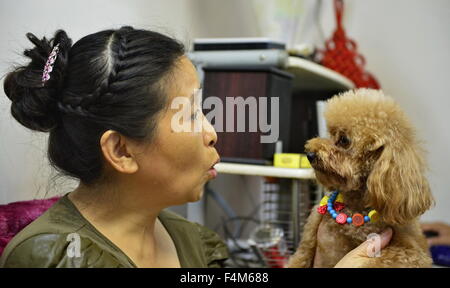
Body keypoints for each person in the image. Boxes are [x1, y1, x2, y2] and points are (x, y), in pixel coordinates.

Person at [0, 26, 394, 268]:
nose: (212, 133)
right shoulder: (52, 257)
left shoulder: (193, 241)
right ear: (120, 151)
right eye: (189, 115)